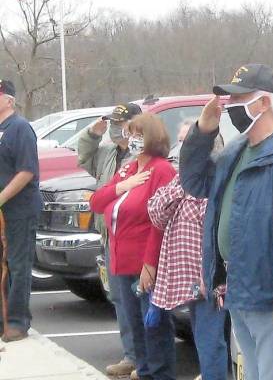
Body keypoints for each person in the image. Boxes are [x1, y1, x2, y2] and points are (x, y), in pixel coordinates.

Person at [179, 64, 273, 380]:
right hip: (237, 287)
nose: (229, 107)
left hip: (268, 293)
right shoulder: (237, 150)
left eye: (237, 99)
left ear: (262, 103)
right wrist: (202, 132)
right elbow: (194, 181)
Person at [90, 113, 176, 380]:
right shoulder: (128, 169)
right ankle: (143, 368)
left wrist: (150, 264)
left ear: (153, 138)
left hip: (145, 262)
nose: (133, 140)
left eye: (139, 135)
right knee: (134, 323)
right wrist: (121, 187)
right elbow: (97, 202)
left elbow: (159, 222)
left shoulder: (162, 170)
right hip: (120, 260)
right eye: (131, 134)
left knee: (154, 324)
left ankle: (158, 372)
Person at [77, 102, 142, 377]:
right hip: (110, 235)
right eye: (114, 124)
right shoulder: (108, 154)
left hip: (134, 235)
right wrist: (92, 132)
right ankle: (131, 354)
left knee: (139, 298)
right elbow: (84, 157)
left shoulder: (142, 155)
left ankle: (146, 357)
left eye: (122, 124)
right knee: (119, 297)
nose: (118, 129)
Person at [148, 168, 228, 380]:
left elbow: (216, 233)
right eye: (182, 142)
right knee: (201, 338)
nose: (184, 148)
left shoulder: (213, 183)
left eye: (187, 141)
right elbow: (156, 212)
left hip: (208, 280)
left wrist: (208, 273)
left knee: (210, 340)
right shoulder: (179, 180)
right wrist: (182, 187)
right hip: (187, 278)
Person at [0, 80, 42, 342]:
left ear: (9, 100)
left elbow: (27, 171)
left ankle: (17, 322)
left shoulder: (20, 128)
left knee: (18, 264)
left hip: (19, 210)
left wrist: (1, 198)